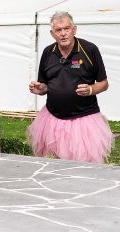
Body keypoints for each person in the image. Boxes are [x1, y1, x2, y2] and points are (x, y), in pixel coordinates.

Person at [27, 11, 113, 163]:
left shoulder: (90, 50)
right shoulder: (48, 52)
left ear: (74, 30)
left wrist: (91, 90)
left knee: (82, 167)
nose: (63, 34)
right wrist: (41, 89)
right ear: (52, 33)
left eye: (67, 29)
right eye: (58, 30)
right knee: (51, 165)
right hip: (52, 119)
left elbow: (104, 83)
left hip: (84, 121)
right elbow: (45, 85)